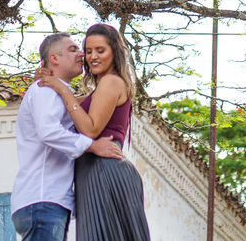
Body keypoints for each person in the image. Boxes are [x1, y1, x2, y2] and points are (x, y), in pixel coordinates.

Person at [36, 23, 151, 241]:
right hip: (94, 170)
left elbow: (90, 129)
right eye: (88, 51)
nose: (93, 57)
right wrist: (45, 82)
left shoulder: (111, 82)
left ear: (114, 52)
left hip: (104, 170)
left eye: (100, 50)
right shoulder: (99, 91)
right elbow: (65, 110)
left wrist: (61, 89)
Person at [12, 33, 125, 241]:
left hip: (48, 201)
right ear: (54, 58)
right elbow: (48, 131)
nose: (82, 54)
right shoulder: (45, 89)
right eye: (73, 50)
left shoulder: (55, 91)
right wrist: (92, 145)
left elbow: (86, 103)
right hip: (42, 199)